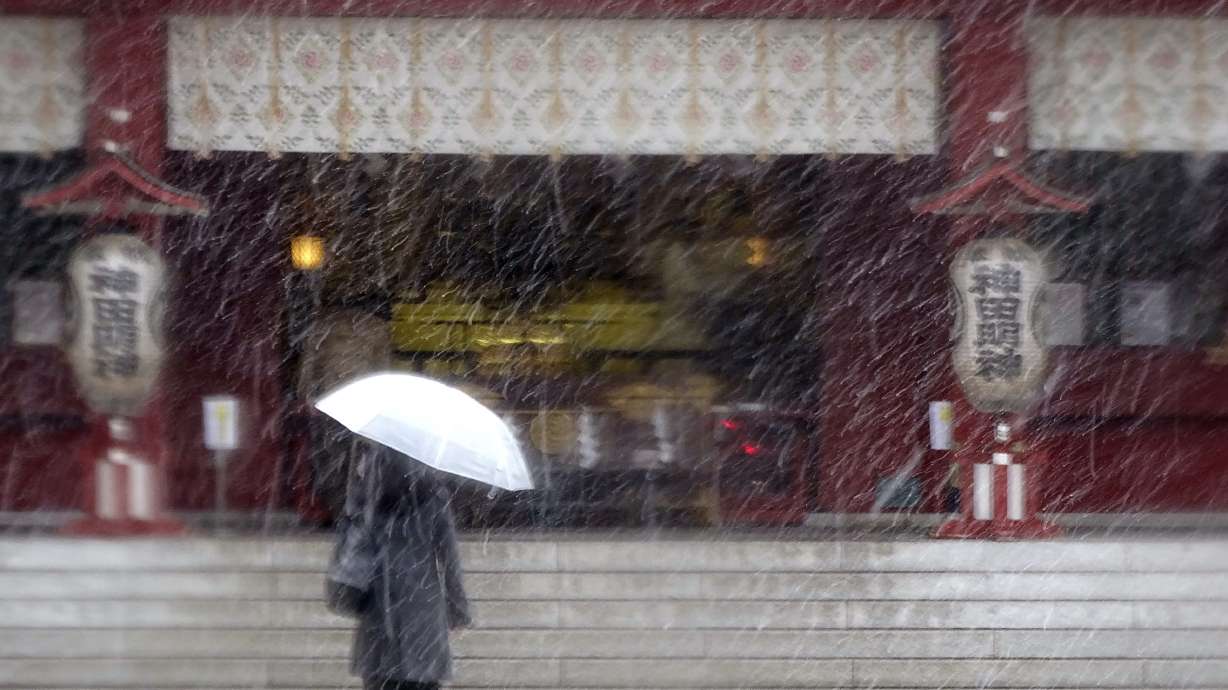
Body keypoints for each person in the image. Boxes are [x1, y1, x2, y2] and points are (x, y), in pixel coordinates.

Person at [326, 444, 472, 690]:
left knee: (380, 681)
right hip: (423, 610)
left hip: (380, 606)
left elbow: (351, 542)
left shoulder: (367, 497)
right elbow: (450, 561)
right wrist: (458, 610)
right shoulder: (434, 496)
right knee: (424, 682)